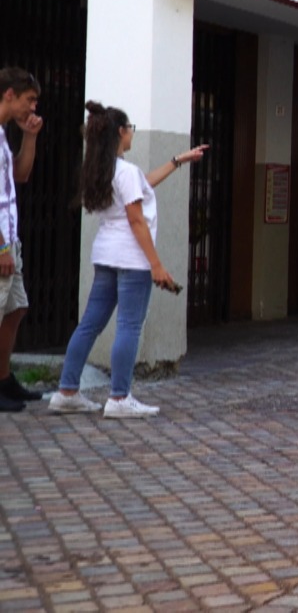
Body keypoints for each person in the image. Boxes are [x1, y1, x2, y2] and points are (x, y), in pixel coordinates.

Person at [49, 103, 207, 418]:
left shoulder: (102, 169)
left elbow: (142, 185)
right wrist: (156, 265)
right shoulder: (125, 171)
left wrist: (177, 161)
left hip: (106, 255)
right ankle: (120, 397)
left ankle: (66, 391)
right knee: (129, 325)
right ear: (120, 132)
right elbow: (137, 221)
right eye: (130, 127)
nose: (132, 132)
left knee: (90, 324)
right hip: (132, 258)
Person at [0, 68, 43, 413]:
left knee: (16, 308)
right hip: (1, 241)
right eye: (29, 101)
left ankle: (3, 379)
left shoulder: (3, 134)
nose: (32, 109)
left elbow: (21, 175)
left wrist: (29, 137)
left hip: (10, 237)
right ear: (9, 94)